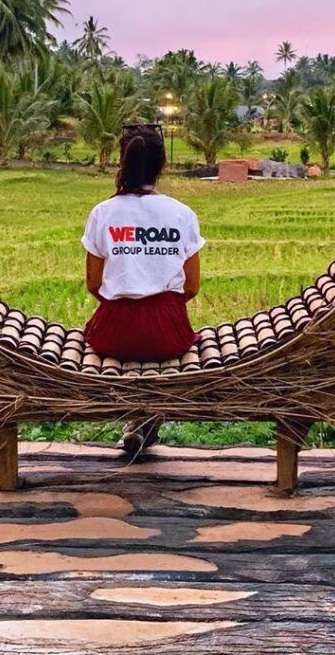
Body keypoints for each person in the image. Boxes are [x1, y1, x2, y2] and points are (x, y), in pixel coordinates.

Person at [81, 123, 205, 454]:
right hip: (169, 336)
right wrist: (159, 308)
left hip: (113, 334)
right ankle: (144, 421)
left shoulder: (103, 213)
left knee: (100, 335)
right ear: (162, 164)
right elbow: (192, 286)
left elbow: (93, 284)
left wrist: (126, 301)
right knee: (156, 351)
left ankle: (139, 421)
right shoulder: (182, 214)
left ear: (123, 161)